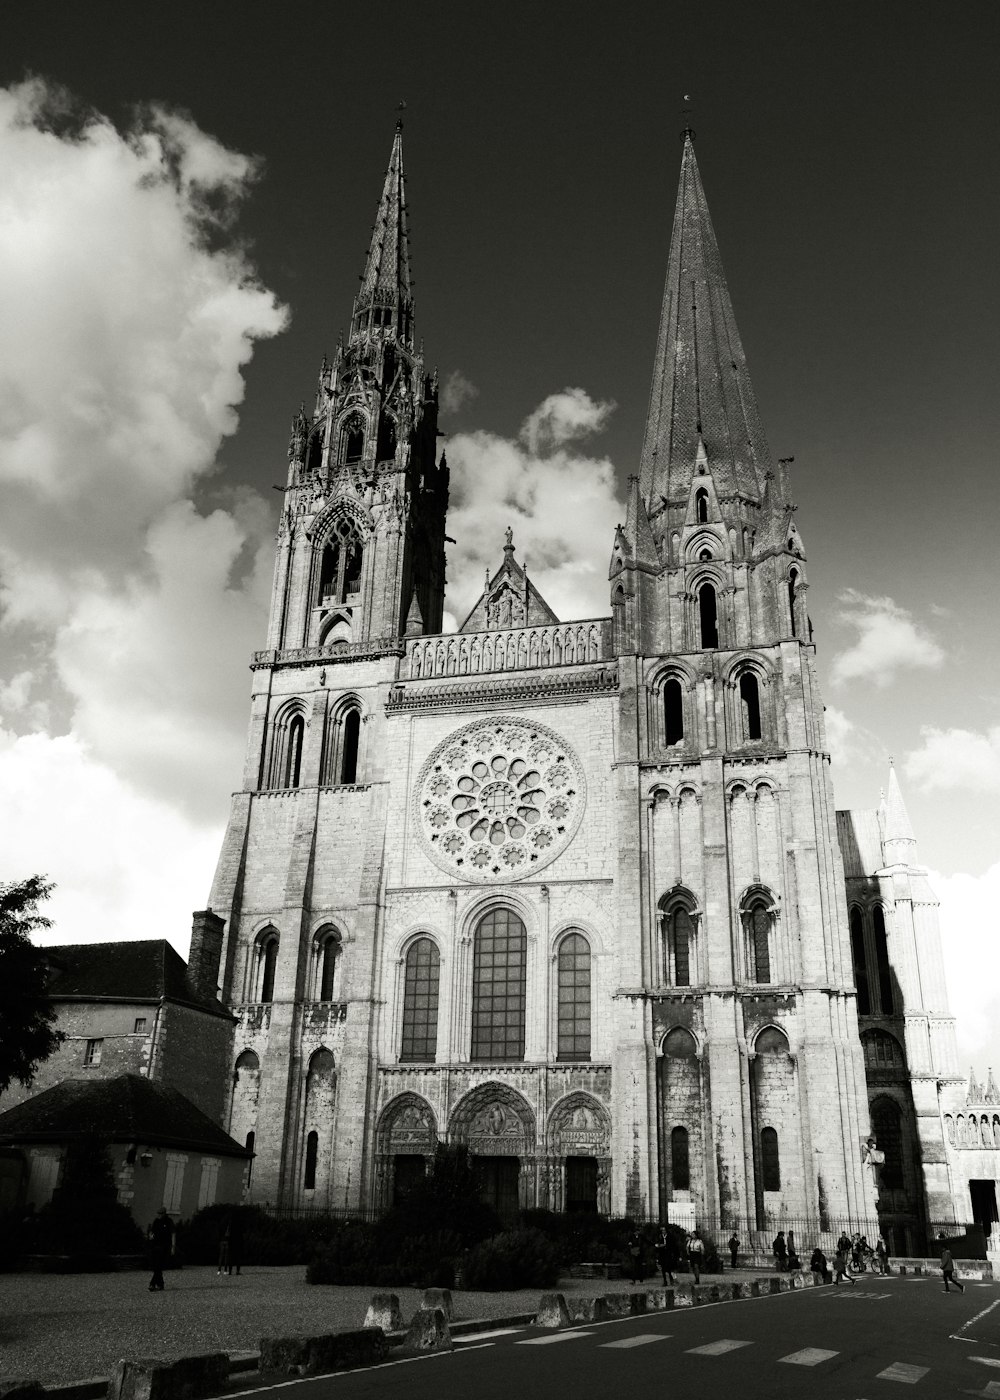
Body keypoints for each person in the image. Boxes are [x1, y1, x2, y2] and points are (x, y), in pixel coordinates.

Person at [148, 1208, 174, 1292]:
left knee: (159, 1265)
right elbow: (152, 1231)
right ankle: (161, 1284)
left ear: (164, 1214)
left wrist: (173, 1246)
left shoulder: (169, 1221)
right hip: (155, 1246)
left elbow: (173, 1233)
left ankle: (152, 1284)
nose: (159, 1215)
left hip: (165, 1246)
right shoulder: (156, 1221)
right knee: (156, 1266)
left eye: (161, 1213)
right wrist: (150, 1236)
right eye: (158, 1213)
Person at [227, 1210, 243, 1276]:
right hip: (238, 1241)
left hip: (231, 1241)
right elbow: (241, 1232)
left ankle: (230, 1271)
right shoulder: (239, 1223)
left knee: (231, 1256)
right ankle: (237, 1271)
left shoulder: (231, 1223)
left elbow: (229, 1232)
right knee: (238, 1257)